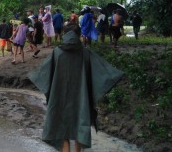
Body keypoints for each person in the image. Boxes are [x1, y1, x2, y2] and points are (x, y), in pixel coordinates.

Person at [27, 24, 124, 152]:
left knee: (62, 128)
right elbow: (102, 74)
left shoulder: (57, 53)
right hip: (81, 98)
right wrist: (117, 74)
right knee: (80, 124)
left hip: (60, 97)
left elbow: (43, 75)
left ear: (64, 35)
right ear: (79, 36)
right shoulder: (86, 53)